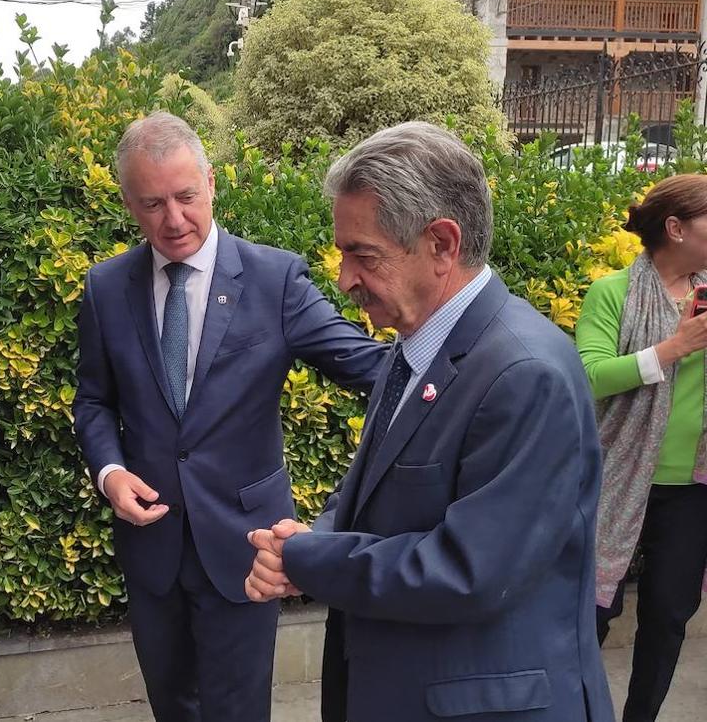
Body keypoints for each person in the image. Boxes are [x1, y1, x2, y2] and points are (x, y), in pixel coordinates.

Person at [245, 122, 614, 722]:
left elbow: (470, 571)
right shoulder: (417, 341)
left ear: (442, 243)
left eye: (363, 255)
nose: (344, 279)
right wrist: (311, 537)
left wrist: (308, 560)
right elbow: (373, 491)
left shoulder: (524, 374)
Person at [73, 111, 387, 721]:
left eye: (186, 196)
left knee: (238, 711)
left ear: (211, 183)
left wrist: (465, 368)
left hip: (247, 547)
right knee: (172, 705)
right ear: (128, 203)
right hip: (152, 546)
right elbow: (93, 401)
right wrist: (109, 472)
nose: (174, 219)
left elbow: (369, 367)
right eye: (152, 203)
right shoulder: (106, 288)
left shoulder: (275, 279)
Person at [580, 174, 707, 722]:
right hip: (616, 475)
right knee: (593, 610)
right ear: (676, 228)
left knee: (668, 615)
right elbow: (589, 376)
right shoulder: (613, 292)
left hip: (691, 489)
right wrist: (673, 348)